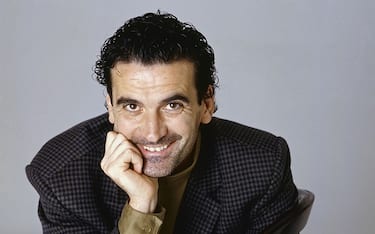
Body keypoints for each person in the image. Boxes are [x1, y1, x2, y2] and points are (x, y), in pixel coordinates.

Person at [26, 11, 298, 234]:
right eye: (132, 106)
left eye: (172, 105)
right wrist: (141, 209)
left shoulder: (262, 166)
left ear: (206, 103)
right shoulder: (60, 177)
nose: (153, 133)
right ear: (110, 106)